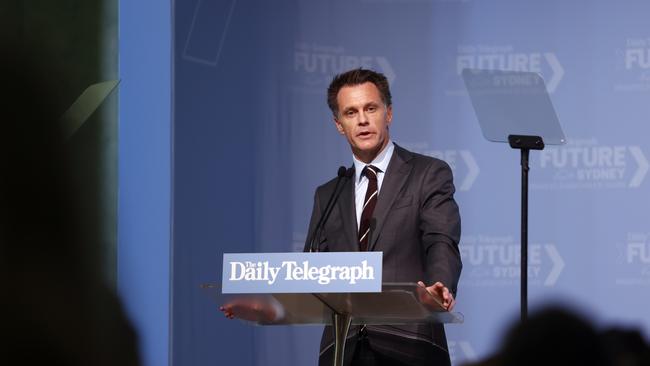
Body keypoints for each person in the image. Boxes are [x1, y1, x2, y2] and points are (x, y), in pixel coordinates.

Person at [304, 68, 462, 366]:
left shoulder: (427, 173)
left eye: (370, 108)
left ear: (388, 113)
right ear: (339, 124)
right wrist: (265, 307)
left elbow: (441, 240)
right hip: (343, 349)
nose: (362, 119)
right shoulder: (328, 194)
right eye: (351, 112)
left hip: (408, 342)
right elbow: (311, 270)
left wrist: (440, 284)